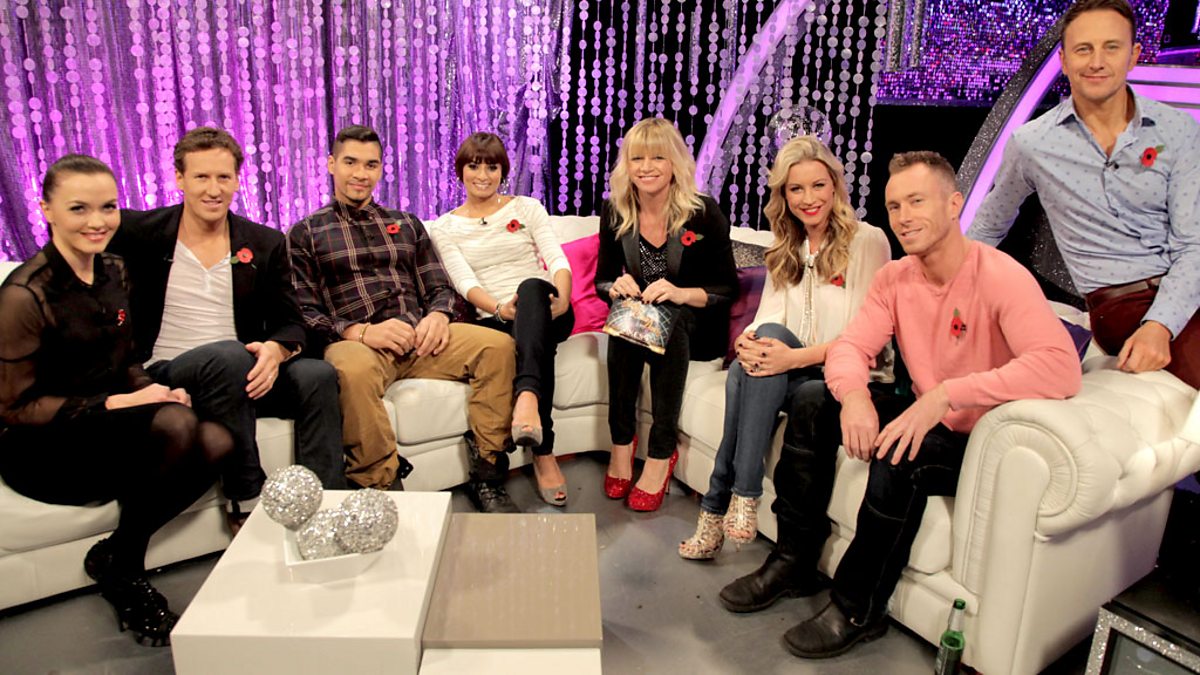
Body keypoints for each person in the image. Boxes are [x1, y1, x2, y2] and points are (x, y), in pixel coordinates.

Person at [719, 152, 1081, 659]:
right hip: (924, 411)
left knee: (900, 452)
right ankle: (793, 560)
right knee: (811, 399)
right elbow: (851, 348)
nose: (905, 217)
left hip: (977, 436)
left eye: (917, 201)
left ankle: (857, 608)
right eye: (894, 206)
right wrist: (854, 398)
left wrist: (948, 394)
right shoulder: (896, 278)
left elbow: (1060, 367)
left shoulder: (1000, 275)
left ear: (954, 204)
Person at [0, 155, 234, 646]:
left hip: (104, 428)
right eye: (79, 208)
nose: (97, 221)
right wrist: (115, 405)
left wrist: (150, 389)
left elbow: (125, 360)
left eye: (107, 207)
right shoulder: (23, 294)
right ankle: (126, 573)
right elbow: (15, 409)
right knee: (176, 425)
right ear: (46, 210)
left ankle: (116, 556)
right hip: (42, 449)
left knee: (217, 440)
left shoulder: (115, 270)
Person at [109, 128, 344, 533]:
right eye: (201, 177)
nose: (213, 189)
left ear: (237, 180)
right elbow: (79, 236)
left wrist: (276, 350)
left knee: (317, 374)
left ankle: (325, 506)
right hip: (167, 370)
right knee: (229, 355)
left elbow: (292, 321)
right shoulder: (138, 231)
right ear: (179, 179)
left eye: (223, 177)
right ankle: (246, 499)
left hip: (239, 375)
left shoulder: (264, 242)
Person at [679, 136, 892, 560]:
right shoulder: (787, 245)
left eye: (818, 185)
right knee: (748, 360)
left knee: (744, 372)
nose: (808, 199)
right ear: (784, 195)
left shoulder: (867, 240)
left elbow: (864, 338)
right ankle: (738, 498)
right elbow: (768, 317)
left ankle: (721, 503)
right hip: (791, 368)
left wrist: (789, 357)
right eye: (796, 189)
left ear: (835, 186)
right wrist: (747, 340)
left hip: (844, 373)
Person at [288, 125, 519, 512]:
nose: (361, 173)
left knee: (498, 346)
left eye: (371, 165)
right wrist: (361, 332)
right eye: (350, 162)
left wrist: (439, 316)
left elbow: (439, 286)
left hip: (421, 340)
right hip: (359, 345)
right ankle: (380, 485)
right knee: (350, 370)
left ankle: (488, 469)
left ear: (381, 169)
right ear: (331, 164)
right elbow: (305, 311)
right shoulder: (306, 233)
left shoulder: (407, 223)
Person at [968, 0, 1199, 388]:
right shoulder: (1033, 143)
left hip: (1185, 289)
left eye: (1111, 47)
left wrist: (1163, 322)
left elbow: (1193, 244)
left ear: (1133, 55)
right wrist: (942, 289)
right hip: (1123, 305)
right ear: (1063, 60)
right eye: (1083, 49)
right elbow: (988, 227)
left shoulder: (1178, 130)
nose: (1097, 62)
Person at [595, 117, 738, 512]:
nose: (646, 167)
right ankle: (621, 445)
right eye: (637, 158)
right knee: (625, 322)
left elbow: (727, 289)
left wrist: (679, 292)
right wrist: (616, 287)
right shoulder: (615, 210)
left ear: (675, 162)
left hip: (695, 325)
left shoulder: (703, 212)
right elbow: (602, 280)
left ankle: (661, 453)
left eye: (657, 157)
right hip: (642, 323)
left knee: (667, 319)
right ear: (626, 164)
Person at [429, 133, 575, 506]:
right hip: (495, 318)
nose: (483, 175)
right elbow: (464, 282)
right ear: (460, 171)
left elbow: (555, 258)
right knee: (534, 341)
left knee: (531, 287)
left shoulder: (526, 207)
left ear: (502, 171)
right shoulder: (444, 227)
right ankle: (543, 452)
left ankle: (526, 398)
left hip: (546, 306)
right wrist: (498, 308)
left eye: (491, 167)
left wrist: (563, 297)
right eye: (474, 166)